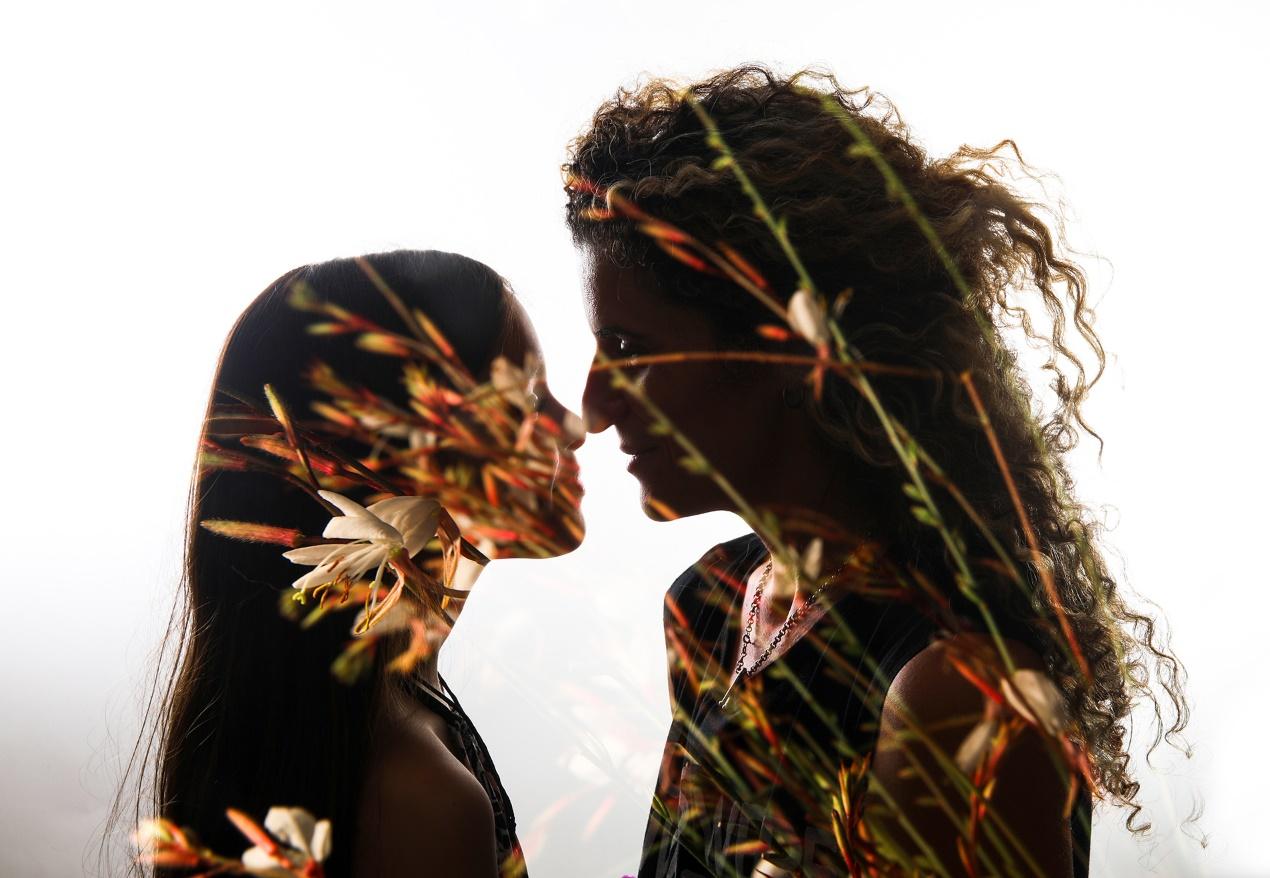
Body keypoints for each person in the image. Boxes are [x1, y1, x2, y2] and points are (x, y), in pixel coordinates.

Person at [564, 66, 1187, 876]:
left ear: (786, 347)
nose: (592, 405)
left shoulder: (952, 697)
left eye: (629, 348)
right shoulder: (710, 604)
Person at [118, 250, 584, 877]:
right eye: (525, 399)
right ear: (403, 447)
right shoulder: (419, 800)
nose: (573, 426)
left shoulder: (368, 727)